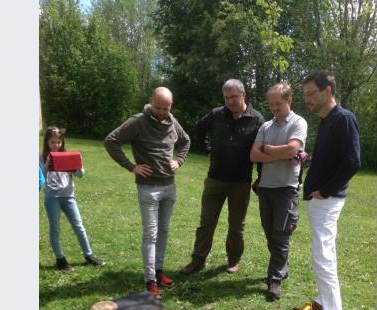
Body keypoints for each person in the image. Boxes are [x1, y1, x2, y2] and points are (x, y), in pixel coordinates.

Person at [104, 87, 190, 298]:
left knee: (163, 231)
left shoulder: (172, 121)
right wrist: (132, 166)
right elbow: (111, 141)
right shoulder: (138, 121)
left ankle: (158, 271)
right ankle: (150, 280)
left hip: (169, 187)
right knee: (150, 234)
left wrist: (178, 161)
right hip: (148, 189)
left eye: (166, 108)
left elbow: (186, 140)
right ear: (151, 101)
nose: (162, 112)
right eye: (158, 107)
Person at [298, 70, 361, 310]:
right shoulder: (326, 122)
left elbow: (352, 161)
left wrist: (325, 190)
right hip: (320, 200)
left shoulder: (343, 119)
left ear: (328, 91)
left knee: (323, 256)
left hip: (328, 200)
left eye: (312, 93)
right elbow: (334, 158)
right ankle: (323, 301)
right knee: (324, 253)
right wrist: (309, 159)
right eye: (305, 95)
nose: (308, 100)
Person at [179, 80, 265, 275]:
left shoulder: (257, 119)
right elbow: (198, 130)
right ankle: (197, 260)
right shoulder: (217, 114)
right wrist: (208, 149)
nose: (230, 101)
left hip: (240, 183)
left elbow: (261, 150)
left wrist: (260, 177)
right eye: (226, 97)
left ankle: (233, 260)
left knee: (236, 226)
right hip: (214, 180)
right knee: (206, 222)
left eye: (234, 97)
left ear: (244, 95)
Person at [250, 83, 308, 301]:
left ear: (288, 101)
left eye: (278, 103)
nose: (274, 107)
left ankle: (274, 280)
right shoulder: (266, 126)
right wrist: (281, 153)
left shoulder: (298, 122)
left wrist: (268, 149)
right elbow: (254, 155)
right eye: (271, 103)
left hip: (286, 189)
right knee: (270, 234)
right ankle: (282, 266)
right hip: (265, 187)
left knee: (281, 235)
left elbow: (293, 149)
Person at [42, 126, 104, 271]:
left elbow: (80, 175)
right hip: (52, 198)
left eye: (59, 142)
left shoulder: (67, 156)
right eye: (52, 142)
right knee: (55, 228)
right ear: (46, 143)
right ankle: (60, 259)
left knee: (79, 226)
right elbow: (41, 180)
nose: (56, 145)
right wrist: (46, 166)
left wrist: (78, 165)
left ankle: (89, 255)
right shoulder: (41, 158)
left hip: (69, 196)